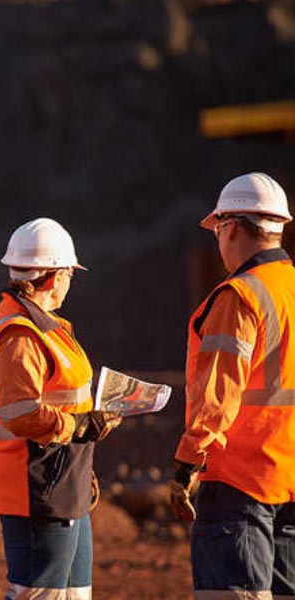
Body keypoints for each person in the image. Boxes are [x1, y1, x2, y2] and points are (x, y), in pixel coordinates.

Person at [0, 217, 121, 600]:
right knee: (38, 594)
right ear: (57, 277)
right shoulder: (19, 334)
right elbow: (19, 412)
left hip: (59, 481)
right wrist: (79, 427)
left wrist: (86, 434)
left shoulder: (44, 327)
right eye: (70, 274)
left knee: (72, 595)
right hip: (34, 487)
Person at [170, 172, 295, 599]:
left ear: (233, 227)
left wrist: (187, 460)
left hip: (240, 481)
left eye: (219, 229)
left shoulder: (240, 296)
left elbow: (218, 397)